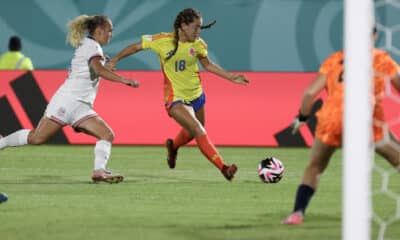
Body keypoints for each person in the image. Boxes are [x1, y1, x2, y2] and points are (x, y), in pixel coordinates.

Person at [108, 8, 249, 181]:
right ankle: (224, 168)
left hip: (197, 95)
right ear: (183, 26)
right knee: (198, 129)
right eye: (196, 27)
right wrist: (115, 60)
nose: (198, 31)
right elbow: (136, 47)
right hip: (175, 98)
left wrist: (231, 77)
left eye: (200, 28)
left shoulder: (198, 44)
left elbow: (208, 64)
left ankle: (173, 147)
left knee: (193, 132)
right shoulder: (162, 41)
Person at [0, 15, 139, 183]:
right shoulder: (92, 47)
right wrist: (125, 80)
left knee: (107, 134)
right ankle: (2, 142)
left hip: (81, 106)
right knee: (37, 138)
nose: (111, 34)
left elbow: (93, 67)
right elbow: (99, 70)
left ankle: (99, 171)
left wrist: (102, 62)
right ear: (100, 31)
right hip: (68, 101)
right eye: (109, 30)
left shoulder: (90, 46)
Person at [282, 26, 400, 225]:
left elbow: (310, 94)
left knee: (315, 166)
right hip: (366, 119)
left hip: (333, 119)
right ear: (375, 36)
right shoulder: (381, 58)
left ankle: (297, 213)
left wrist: (302, 118)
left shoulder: (335, 59)